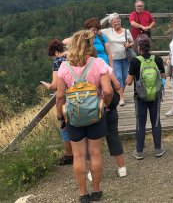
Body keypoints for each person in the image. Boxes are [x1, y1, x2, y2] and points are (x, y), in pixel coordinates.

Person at [56, 30, 113, 203]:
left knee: (79, 156)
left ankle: (83, 194)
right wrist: (105, 104)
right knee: (95, 153)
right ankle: (96, 191)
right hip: (95, 114)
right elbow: (108, 91)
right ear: (90, 45)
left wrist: (61, 117)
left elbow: (60, 97)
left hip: (73, 116)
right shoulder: (98, 63)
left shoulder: (64, 67)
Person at [84, 18, 126, 178]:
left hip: (88, 107)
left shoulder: (75, 67)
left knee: (92, 138)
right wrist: (107, 103)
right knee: (113, 134)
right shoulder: (102, 66)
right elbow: (115, 86)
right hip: (106, 107)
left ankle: (92, 171)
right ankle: (121, 167)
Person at [126, 34, 166, 160]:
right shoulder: (157, 59)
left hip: (140, 97)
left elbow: (128, 82)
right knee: (156, 121)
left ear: (138, 47)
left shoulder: (135, 61)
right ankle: (158, 149)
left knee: (140, 123)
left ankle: (139, 151)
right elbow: (163, 77)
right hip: (155, 95)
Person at [42, 39, 73, 166]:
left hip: (66, 98)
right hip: (81, 95)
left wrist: (48, 86)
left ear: (55, 53)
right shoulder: (73, 56)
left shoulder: (58, 61)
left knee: (64, 126)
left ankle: (69, 155)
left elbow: (56, 85)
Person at [101, 12, 135, 106]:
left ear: (120, 21)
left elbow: (132, 42)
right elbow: (96, 30)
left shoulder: (126, 31)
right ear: (111, 23)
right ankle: (121, 97)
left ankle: (121, 94)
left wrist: (129, 44)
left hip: (125, 58)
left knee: (125, 77)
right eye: (113, 22)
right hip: (114, 58)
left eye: (117, 21)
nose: (116, 23)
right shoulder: (107, 31)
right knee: (118, 77)